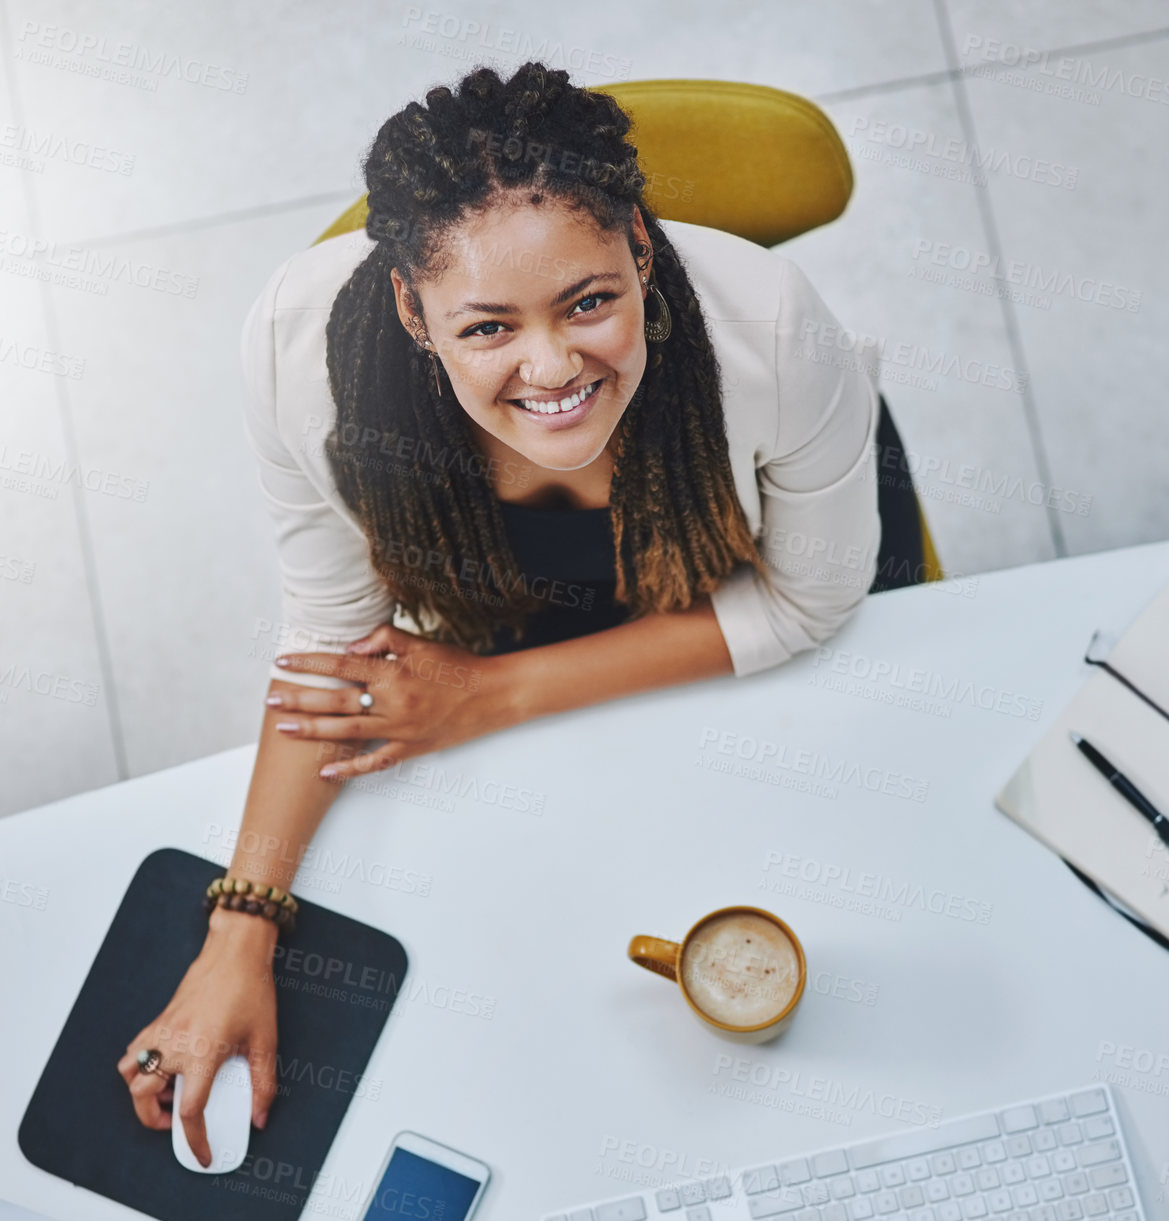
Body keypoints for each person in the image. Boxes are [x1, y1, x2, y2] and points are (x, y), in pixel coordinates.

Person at [118, 60, 924, 1165]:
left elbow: (809, 599)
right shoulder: (295, 354)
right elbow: (335, 644)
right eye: (487, 327)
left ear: (640, 245)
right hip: (515, 616)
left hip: (748, 574)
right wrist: (237, 930)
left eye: (589, 301)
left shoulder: (773, 333)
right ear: (411, 306)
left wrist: (483, 695)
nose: (553, 369)